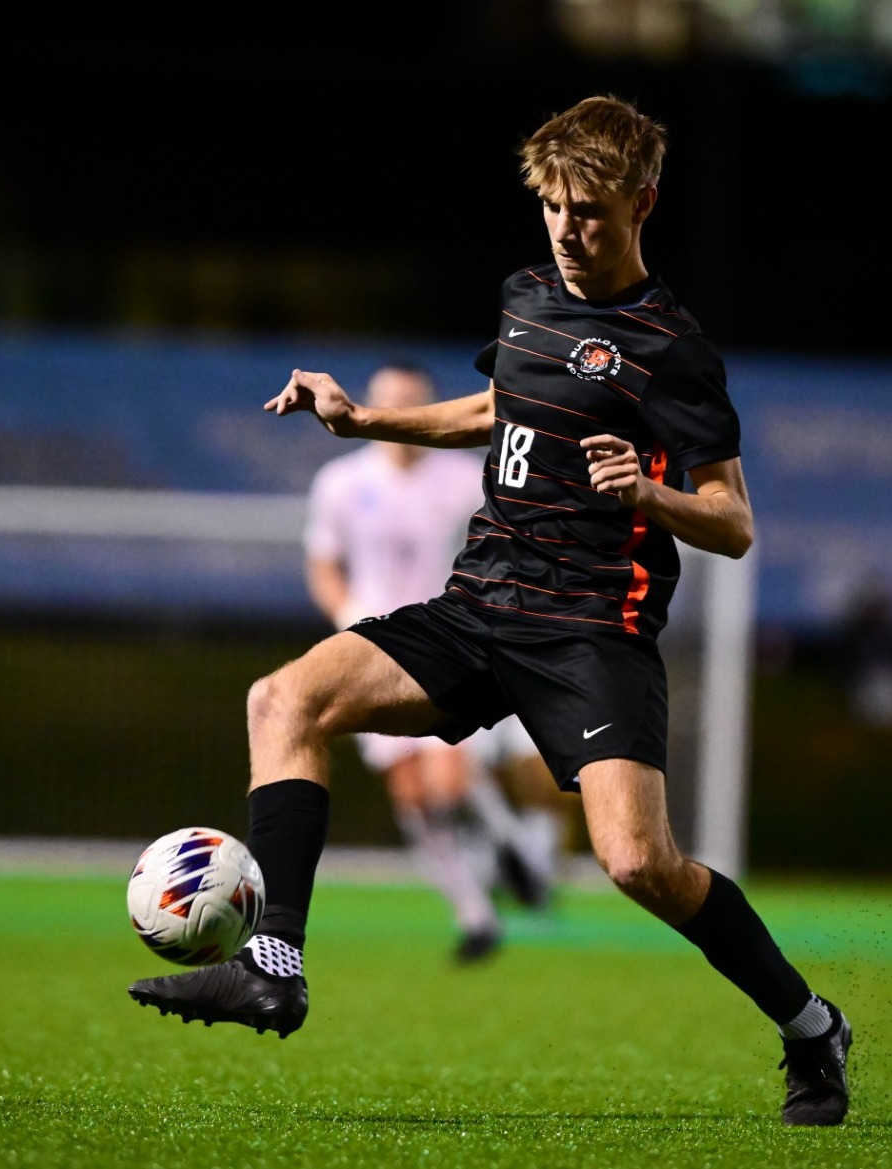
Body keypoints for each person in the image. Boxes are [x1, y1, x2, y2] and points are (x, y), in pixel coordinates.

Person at [130, 96, 852, 1127]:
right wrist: (361, 419)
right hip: (478, 607)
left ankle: (810, 1027)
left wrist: (649, 494)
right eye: (552, 205)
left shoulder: (670, 349)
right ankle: (271, 966)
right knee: (280, 700)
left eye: (589, 211)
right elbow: (491, 407)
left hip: (592, 633)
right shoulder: (526, 297)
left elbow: (732, 521)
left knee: (638, 863)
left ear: (643, 202)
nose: (565, 228)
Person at [302, 361, 557, 962]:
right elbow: (322, 563)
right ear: (371, 403)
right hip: (369, 647)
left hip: (451, 639)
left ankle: (511, 848)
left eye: (411, 401)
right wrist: (346, 612)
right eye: (389, 399)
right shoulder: (340, 482)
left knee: (449, 778)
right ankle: (476, 913)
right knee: (413, 794)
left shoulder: (465, 479)